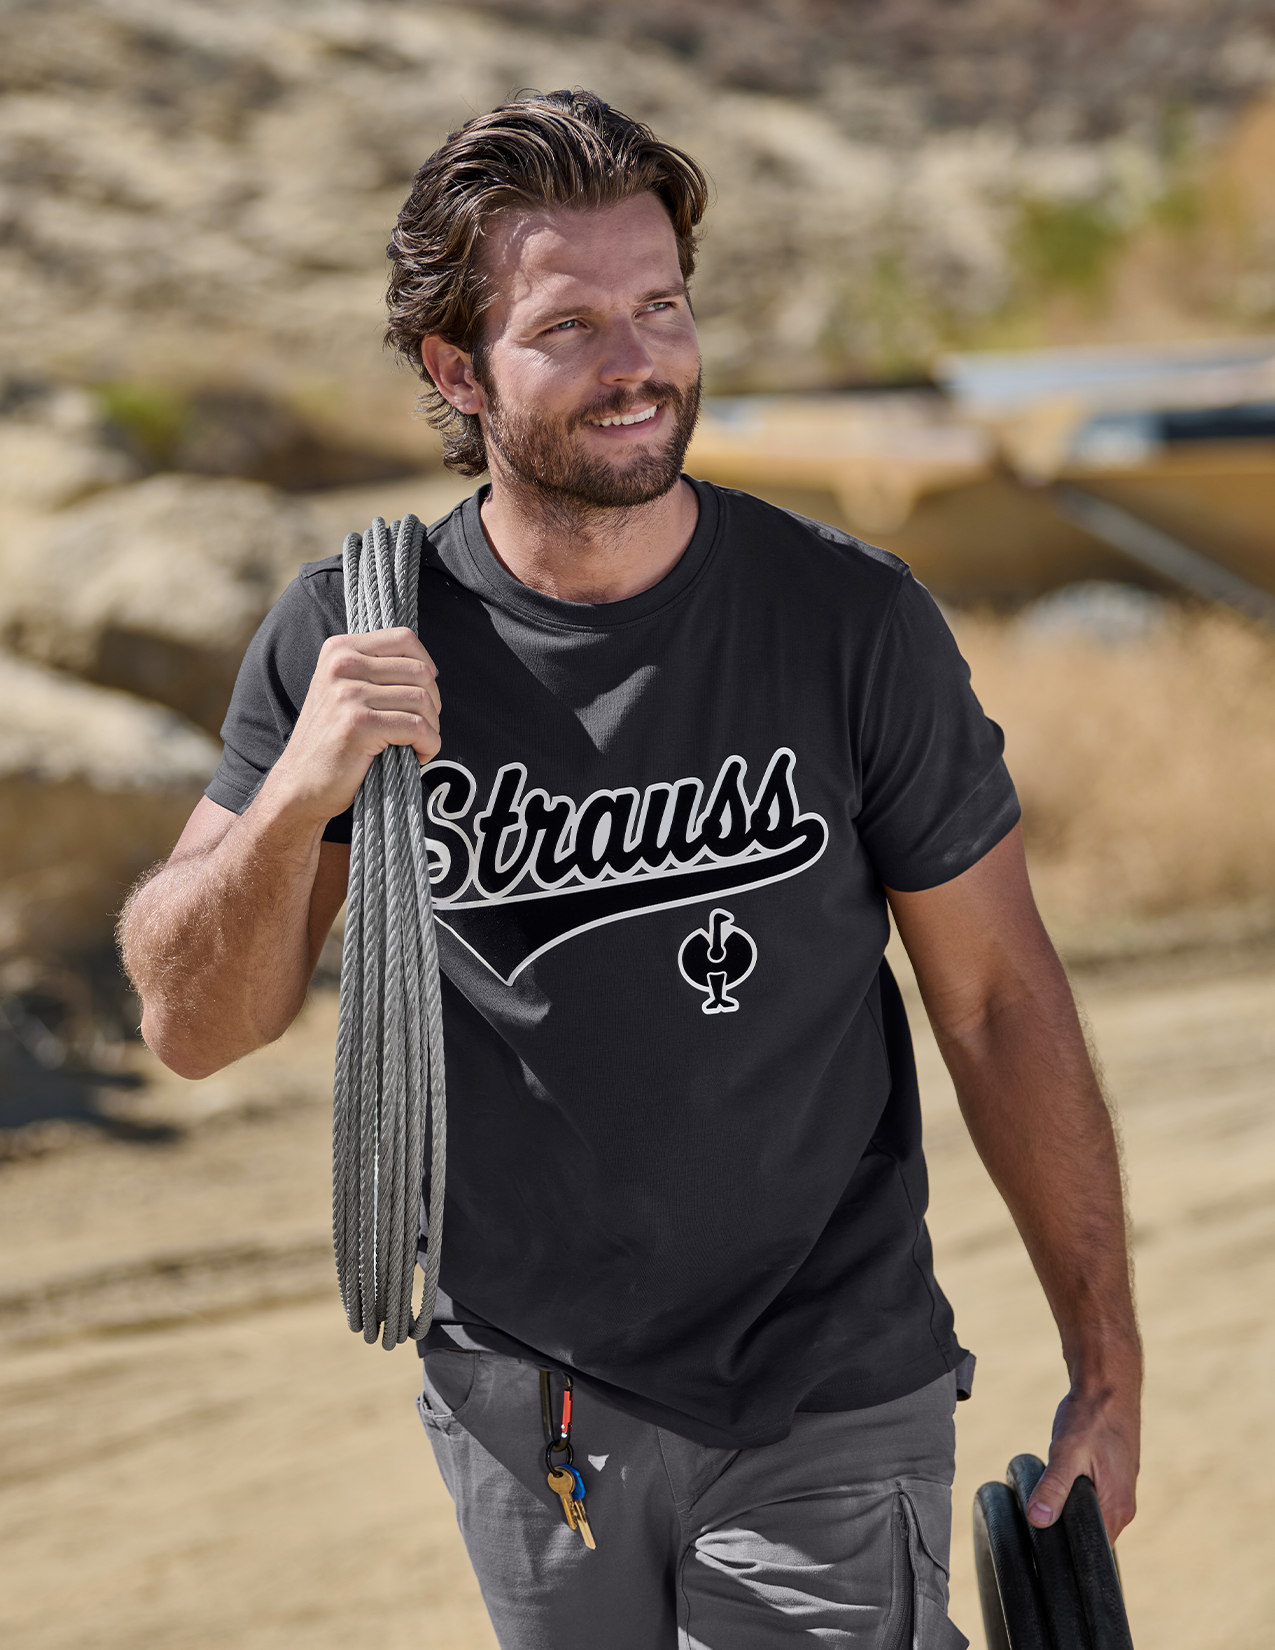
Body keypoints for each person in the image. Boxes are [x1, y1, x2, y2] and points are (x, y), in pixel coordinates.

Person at [120, 90, 1141, 1650]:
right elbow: (194, 1025)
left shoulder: (845, 623)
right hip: (526, 1413)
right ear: (454, 370)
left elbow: (998, 998)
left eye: (659, 305)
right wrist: (298, 799)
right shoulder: (355, 629)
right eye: (571, 323)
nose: (637, 362)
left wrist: (1104, 1359)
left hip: (822, 1380)